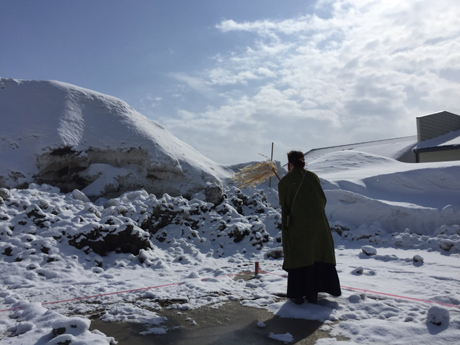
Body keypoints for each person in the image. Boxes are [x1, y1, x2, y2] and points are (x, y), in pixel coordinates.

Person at [278, 150, 341, 304]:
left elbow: (285, 208)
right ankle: (313, 293)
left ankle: (298, 294)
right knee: (316, 255)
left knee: (300, 257)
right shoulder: (312, 177)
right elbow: (322, 200)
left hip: (298, 226)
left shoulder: (285, 182)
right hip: (319, 225)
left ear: (290, 164)